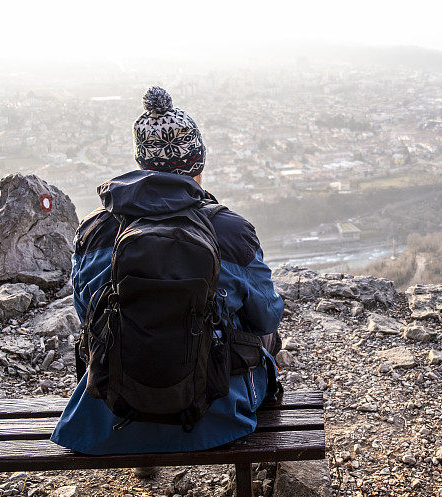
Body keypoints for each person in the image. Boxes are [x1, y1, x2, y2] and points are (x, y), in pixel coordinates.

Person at [51, 87, 284, 470]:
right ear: (198, 162)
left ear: (142, 163)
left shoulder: (95, 229)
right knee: (267, 334)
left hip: (109, 415)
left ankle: (141, 428)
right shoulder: (230, 230)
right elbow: (266, 316)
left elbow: (86, 313)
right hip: (217, 416)